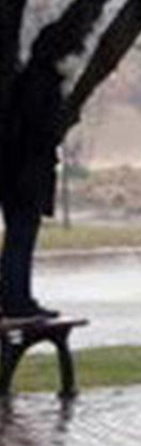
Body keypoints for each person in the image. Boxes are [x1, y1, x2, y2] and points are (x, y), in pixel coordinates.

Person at [1, 62, 63, 320]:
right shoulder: (38, 86)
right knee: (20, 240)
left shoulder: (20, 84)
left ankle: (15, 297)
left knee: (18, 240)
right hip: (25, 178)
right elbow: (41, 133)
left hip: (14, 174)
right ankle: (17, 300)